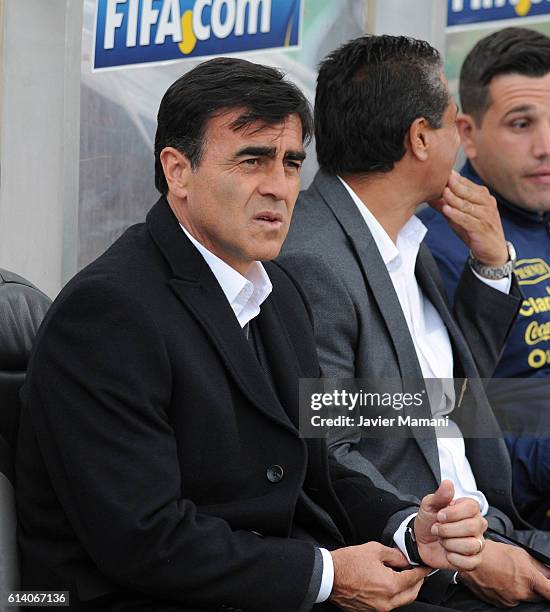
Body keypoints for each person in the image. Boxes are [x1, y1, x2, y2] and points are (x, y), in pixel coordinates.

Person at [15, 57, 484, 612]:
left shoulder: (277, 288)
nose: (279, 187)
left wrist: (407, 526)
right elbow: (143, 538)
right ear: (178, 171)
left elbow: (318, 465)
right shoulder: (109, 310)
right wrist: (327, 574)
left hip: (270, 582)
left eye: (290, 163)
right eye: (252, 160)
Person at [278, 35, 550, 610]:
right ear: (421, 138)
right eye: (455, 124)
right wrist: (464, 557)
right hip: (429, 568)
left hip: (491, 527)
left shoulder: (404, 234)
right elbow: (329, 444)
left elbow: (443, 397)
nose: (461, 144)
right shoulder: (314, 258)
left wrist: (492, 267)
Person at [418, 27, 550, 528]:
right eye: (522, 124)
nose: (545, 145)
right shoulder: (438, 245)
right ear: (467, 134)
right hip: (506, 519)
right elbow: (428, 416)